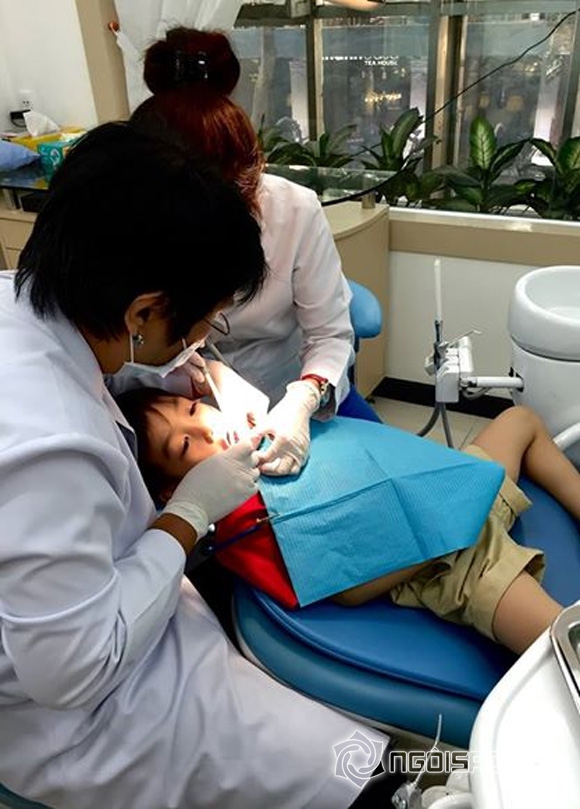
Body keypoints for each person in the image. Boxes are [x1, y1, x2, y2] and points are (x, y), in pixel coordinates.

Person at [0, 122, 391, 809]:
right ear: (145, 311)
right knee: (352, 770)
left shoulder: (27, 297)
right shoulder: (49, 451)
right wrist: (188, 516)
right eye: (207, 320)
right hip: (83, 712)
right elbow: (75, 670)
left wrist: (194, 374)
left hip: (127, 597)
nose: (207, 337)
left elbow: (100, 365)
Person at [118, 387, 570, 655]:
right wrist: (447, 530)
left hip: (454, 485)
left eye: (193, 410)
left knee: (519, 420)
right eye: (185, 446)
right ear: (175, 492)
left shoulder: (271, 432)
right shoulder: (244, 526)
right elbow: (346, 588)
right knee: (565, 642)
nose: (206, 429)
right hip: (453, 566)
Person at [129, 26, 361, 477]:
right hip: (178, 407)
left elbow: (330, 336)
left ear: (247, 176)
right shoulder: (141, 215)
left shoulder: (293, 210)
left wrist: (303, 398)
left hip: (283, 383)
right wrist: (194, 369)